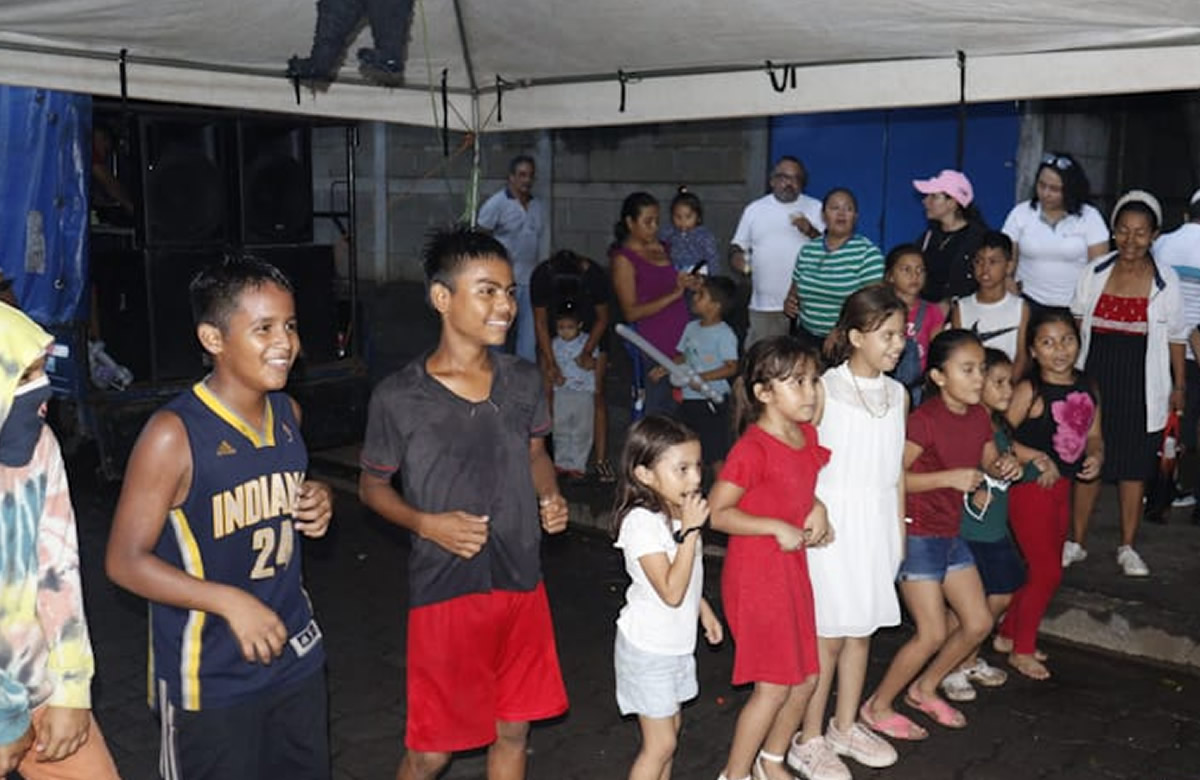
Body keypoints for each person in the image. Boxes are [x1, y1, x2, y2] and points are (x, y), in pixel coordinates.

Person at [105, 257, 335, 779]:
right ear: (213, 338)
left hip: (295, 657)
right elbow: (123, 561)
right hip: (210, 678)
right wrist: (228, 601)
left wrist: (319, 499)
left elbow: (282, 493)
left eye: (291, 326)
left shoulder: (288, 414)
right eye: (264, 329)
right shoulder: (173, 435)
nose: (285, 343)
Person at [357, 227, 569, 780]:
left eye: (509, 290)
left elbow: (536, 454)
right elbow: (372, 487)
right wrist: (426, 524)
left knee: (512, 731)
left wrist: (549, 494)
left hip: (522, 580)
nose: (505, 305)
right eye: (487, 291)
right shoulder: (399, 397)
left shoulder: (524, 381)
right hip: (447, 589)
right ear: (442, 299)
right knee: (432, 751)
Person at [861, 330, 1021, 740]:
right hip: (918, 535)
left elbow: (988, 457)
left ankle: (924, 688)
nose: (978, 379)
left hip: (950, 531)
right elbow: (893, 479)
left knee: (978, 622)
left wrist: (1003, 465)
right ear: (937, 376)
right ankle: (876, 706)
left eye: (981, 369)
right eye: (967, 370)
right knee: (932, 631)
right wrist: (949, 478)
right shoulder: (924, 420)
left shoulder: (980, 416)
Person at [790, 287, 908, 780]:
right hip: (833, 524)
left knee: (861, 631)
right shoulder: (825, 390)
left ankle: (843, 725)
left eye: (902, 334)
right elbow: (801, 455)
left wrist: (898, 531)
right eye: (887, 335)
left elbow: (897, 470)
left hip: (877, 522)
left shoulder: (898, 393)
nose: (898, 344)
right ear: (856, 336)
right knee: (828, 637)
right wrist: (810, 509)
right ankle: (808, 739)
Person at [0, 302, 120, 780]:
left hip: (37, 686)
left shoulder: (39, 447)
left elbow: (58, 570)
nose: (41, 392)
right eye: (21, 374)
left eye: (41, 371)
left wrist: (72, 690)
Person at [709, 336, 833, 780]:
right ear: (763, 393)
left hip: (790, 571)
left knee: (807, 679)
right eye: (796, 382)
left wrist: (817, 507)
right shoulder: (752, 448)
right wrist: (773, 526)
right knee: (774, 685)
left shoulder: (806, 436)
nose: (810, 392)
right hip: (756, 577)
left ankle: (772, 761)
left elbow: (799, 487)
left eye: (813, 380)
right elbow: (718, 512)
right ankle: (734, 774)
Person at [1068, 191, 1187, 577]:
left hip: (1141, 381)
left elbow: (1177, 338)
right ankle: (1077, 541)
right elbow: (1076, 323)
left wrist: (1179, 386)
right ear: (1114, 231)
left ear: (1154, 235)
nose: (1130, 240)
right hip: (1097, 376)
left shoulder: (1165, 281)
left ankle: (1128, 546)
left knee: (1134, 466)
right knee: (1090, 461)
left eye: (1140, 233)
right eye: (1122, 231)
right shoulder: (1095, 272)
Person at [611, 415, 724, 780]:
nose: (695, 479)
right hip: (648, 648)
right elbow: (671, 591)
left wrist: (702, 608)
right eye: (681, 469)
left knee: (670, 734)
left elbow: (683, 581)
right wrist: (691, 532)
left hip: (674, 644)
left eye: (697, 467)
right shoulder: (642, 523)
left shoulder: (676, 515)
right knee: (660, 745)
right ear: (645, 474)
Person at [998, 312, 1102, 679]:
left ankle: (1009, 633)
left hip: (1063, 488)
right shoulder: (1031, 390)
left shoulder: (1087, 382)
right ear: (1033, 350)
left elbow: (1093, 432)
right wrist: (1036, 458)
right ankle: (1022, 650)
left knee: (1044, 566)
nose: (1059, 350)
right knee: (1047, 571)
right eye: (1048, 342)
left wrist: (1096, 454)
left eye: (1067, 340)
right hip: (1030, 489)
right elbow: (1000, 436)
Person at [937, 348, 1028, 702]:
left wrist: (1024, 463)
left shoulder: (995, 424)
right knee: (963, 607)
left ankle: (966, 658)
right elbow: (965, 463)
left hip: (993, 528)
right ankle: (951, 666)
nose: (1008, 390)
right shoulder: (967, 422)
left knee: (1001, 592)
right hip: (969, 529)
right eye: (999, 382)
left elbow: (1003, 457)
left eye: (1010, 382)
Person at [529, 249, 615, 481]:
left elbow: (603, 318)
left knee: (596, 396)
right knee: (548, 394)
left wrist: (587, 351)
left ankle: (599, 460)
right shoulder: (541, 277)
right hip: (555, 334)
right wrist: (551, 361)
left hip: (591, 330)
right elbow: (540, 322)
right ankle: (547, 456)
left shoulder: (594, 276)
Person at [611, 192, 698, 417]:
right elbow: (630, 312)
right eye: (647, 222)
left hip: (684, 338)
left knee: (688, 410)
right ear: (630, 223)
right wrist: (673, 295)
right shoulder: (624, 259)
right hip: (655, 344)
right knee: (659, 410)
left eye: (657, 221)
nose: (654, 227)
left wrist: (690, 283)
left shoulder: (666, 247)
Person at [730, 157, 825, 348]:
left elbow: (832, 249)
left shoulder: (816, 208)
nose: (789, 183)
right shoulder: (755, 209)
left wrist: (810, 231)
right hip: (766, 307)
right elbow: (737, 245)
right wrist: (736, 257)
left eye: (796, 178)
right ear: (772, 181)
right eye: (783, 177)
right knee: (764, 363)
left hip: (808, 307)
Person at [650, 275, 739, 476]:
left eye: (701, 295)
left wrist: (702, 379)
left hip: (712, 402)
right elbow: (683, 356)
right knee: (684, 445)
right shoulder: (691, 328)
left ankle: (723, 493)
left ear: (715, 306)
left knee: (715, 452)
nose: (694, 297)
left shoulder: (724, 334)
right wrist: (665, 367)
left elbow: (731, 367)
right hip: (690, 399)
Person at [1001, 152, 1109, 309]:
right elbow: (1006, 259)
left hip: (1074, 306)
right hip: (1027, 302)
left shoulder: (1090, 217)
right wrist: (1008, 282)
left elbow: (1099, 269)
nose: (1046, 193)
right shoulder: (1021, 213)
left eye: (1055, 189)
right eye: (1041, 185)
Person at [1150, 189, 1200, 517]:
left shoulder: (1164, 243)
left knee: (1167, 423)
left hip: (1166, 345)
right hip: (1197, 347)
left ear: (1187, 214)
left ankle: (1158, 494)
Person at [786, 188, 885, 348]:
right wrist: (789, 302)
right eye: (834, 208)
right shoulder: (807, 251)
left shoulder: (868, 253)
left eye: (848, 208)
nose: (841, 213)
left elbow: (873, 304)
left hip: (846, 341)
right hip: (806, 337)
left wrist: (841, 331)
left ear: (856, 217)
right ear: (824, 216)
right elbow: (794, 292)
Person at [477, 154, 545, 363]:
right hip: (503, 282)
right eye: (522, 175)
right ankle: (494, 376)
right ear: (511, 177)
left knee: (528, 336)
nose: (526, 180)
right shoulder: (497, 203)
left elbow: (540, 241)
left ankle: (523, 380)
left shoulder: (537, 206)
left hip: (530, 279)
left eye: (530, 176)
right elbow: (480, 237)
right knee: (498, 331)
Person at [950, 231, 1031, 378]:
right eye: (979, 261)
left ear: (1009, 266)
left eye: (993, 262)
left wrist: (1008, 384)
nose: (985, 269)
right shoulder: (961, 307)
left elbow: (1021, 356)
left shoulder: (1020, 307)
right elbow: (959, 355)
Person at [912, 169, 988, 306]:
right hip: (928, 315)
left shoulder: (979, 239)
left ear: (952, 203)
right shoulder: (927, 238)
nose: (925, 201)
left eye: (934, 197)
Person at [884, 244, 945, 402]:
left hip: (917, 386)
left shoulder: (933, 311)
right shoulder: (880, 309)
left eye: (920, 270)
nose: (914, 276)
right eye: (906, 270)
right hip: (884, 382)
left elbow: (937, 353)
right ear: (890, 276)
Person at [551, 303, 597, 479]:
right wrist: (556, 377)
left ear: (579, 326)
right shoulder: (554, 344)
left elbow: (597, 363)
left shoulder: (587, 342)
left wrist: (588, 363)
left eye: (569, 327)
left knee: (582, 429)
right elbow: (551, 366)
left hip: (583, 392)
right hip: (562, 392)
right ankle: (561, 463)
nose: (565, 332)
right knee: (560, 427)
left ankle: (578, 464)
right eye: (561, 328)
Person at [660, 187, 720, 275]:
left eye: (688, 217)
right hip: (674, 272)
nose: (683, 221)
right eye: (678, 217)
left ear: (698, 217)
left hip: (696, 271)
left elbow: (712, 258)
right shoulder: (668, 232)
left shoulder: (704, 235)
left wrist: (713, 278)